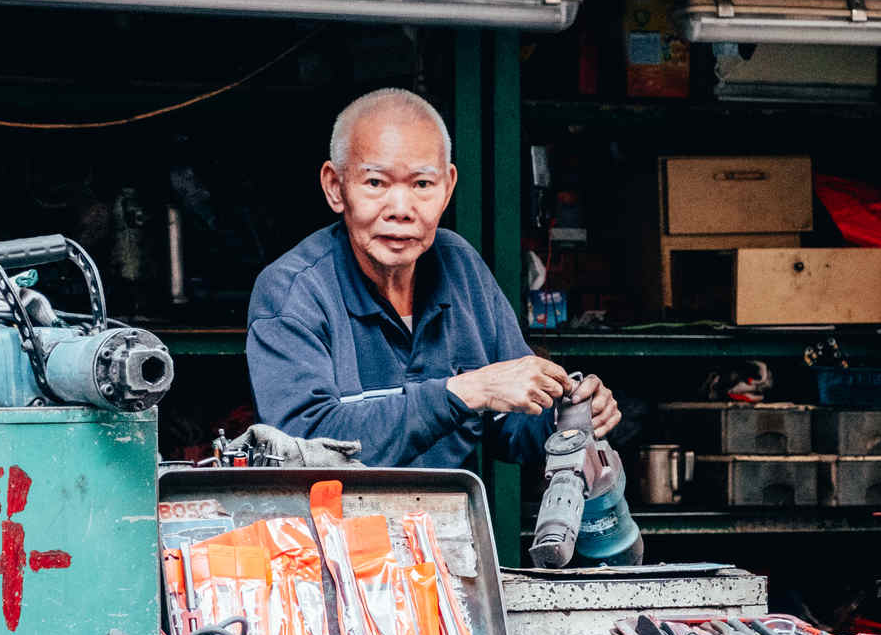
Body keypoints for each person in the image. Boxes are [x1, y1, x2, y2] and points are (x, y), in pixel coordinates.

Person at [246, 88, 618, 468]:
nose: (401, 210)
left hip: (446, 524)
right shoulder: (293, 291)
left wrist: (568, 418)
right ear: (335, 187)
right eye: (376, 183)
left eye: (422, 185)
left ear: (447, 189)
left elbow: (513, 425)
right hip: (336, 525)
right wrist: (464, 392)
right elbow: (302, 453)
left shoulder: (461, 269)